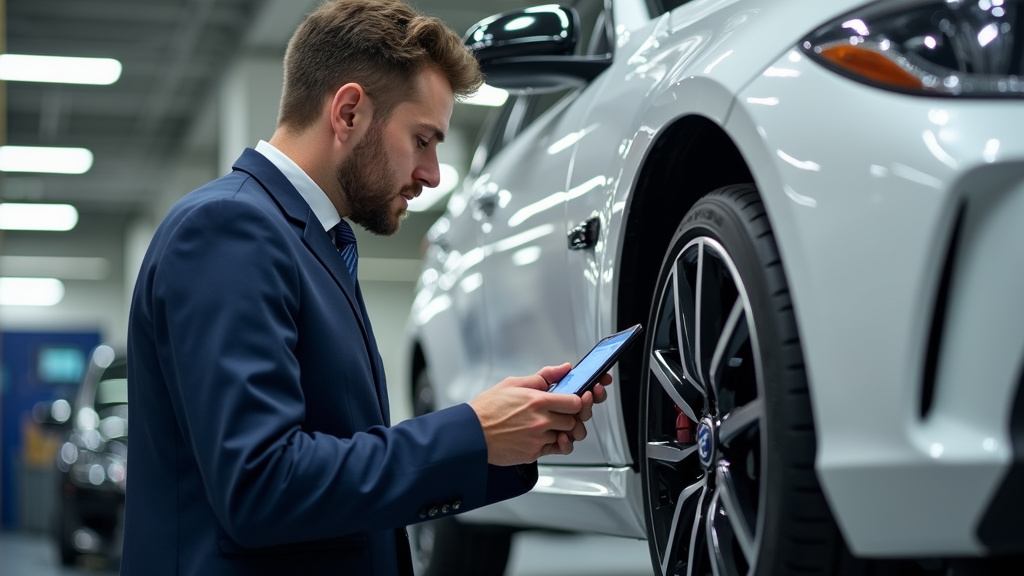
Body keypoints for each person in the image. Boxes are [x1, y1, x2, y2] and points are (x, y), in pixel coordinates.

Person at [120, 1, 611, 575]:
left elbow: (332, 462)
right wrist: (471, 433)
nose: (432, 173)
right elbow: (261, 485)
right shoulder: (230, 229)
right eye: (423, 139)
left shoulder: (308, 243)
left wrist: (504, 438)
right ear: (349, 112)